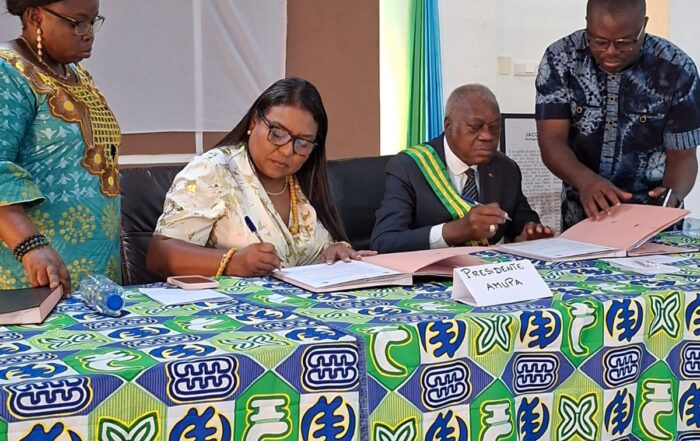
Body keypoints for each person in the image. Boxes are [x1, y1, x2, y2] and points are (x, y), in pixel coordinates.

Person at [148, 77, 374, 278]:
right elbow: (159, 255)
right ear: (254, 121)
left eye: (303, 143)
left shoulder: (304, 178)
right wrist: (233, 262)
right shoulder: (213, 170)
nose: (287, 150)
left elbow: (309, 256)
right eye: (278, 133)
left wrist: (334, 253)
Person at [536, 0, 700, 230]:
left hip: (654, 221)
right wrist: (585, 180)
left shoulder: (677, 69)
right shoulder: (560, 59)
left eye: (624, 43)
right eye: (599, 41)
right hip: (584, 217)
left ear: (644, 25)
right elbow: (551, 141)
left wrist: (672, 195)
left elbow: (683, 157)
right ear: (588, 24)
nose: (611, 51)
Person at [0, 0, 118, 292]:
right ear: (35, 16)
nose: (88, 33)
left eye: (93, 21)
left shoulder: (76, 74)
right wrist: (30, 246)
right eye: (77, 23)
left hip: (95, 269)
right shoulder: (8, 72)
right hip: (32, 274)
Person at [371, 84, 553, 254]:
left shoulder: (506, 169)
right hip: (431, 273)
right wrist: (455, 231)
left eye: (494, 128)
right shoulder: (409, 167)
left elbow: (521, 228)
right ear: (448, 126)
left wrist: (528, 237)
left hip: (487, 271)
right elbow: (384, 242)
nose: (487, 136)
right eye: (475, 127)